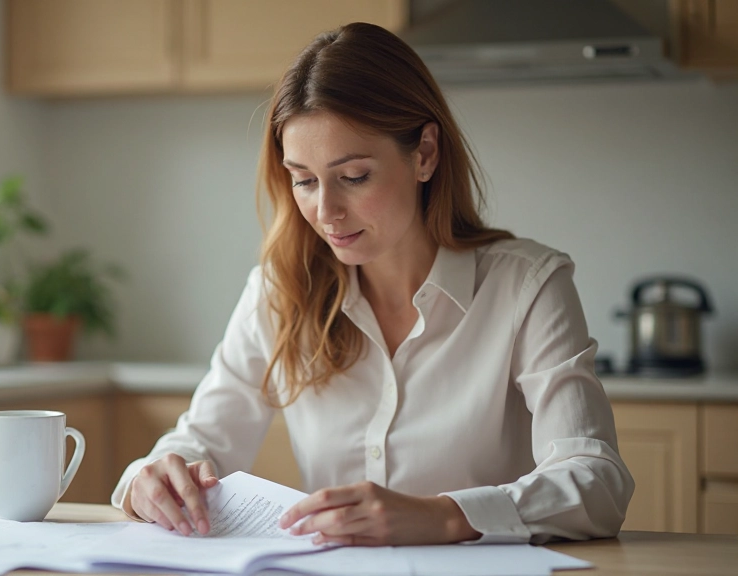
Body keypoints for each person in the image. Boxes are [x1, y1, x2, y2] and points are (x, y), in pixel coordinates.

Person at [111, 22, 634, 546]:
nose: (326, 211)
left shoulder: (527, 286)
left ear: (425, 153)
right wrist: (149, 479)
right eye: (304, 180)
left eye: (354, 176)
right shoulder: (280, 290)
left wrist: (446, 516)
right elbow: (202, 440)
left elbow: (597, 480)